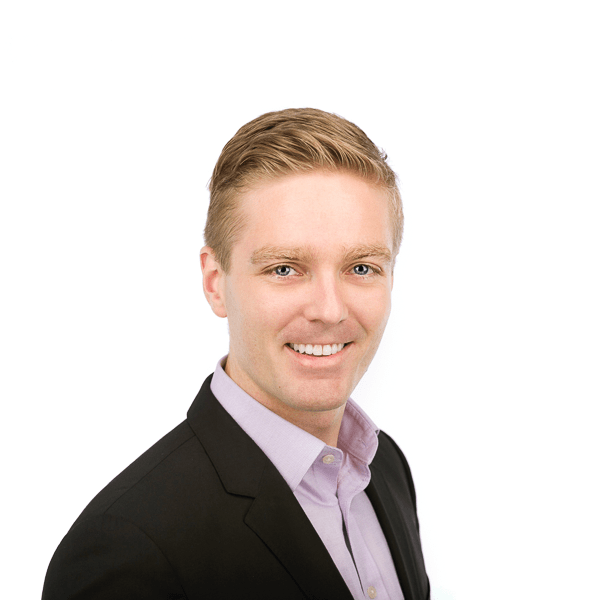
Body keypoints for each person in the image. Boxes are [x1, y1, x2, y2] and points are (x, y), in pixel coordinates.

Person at [42, 108, 430, 600]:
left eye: (362, 267)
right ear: (215, 283)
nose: (330, 310)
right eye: (285, 269)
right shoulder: (129, 550)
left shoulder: (386, 469)